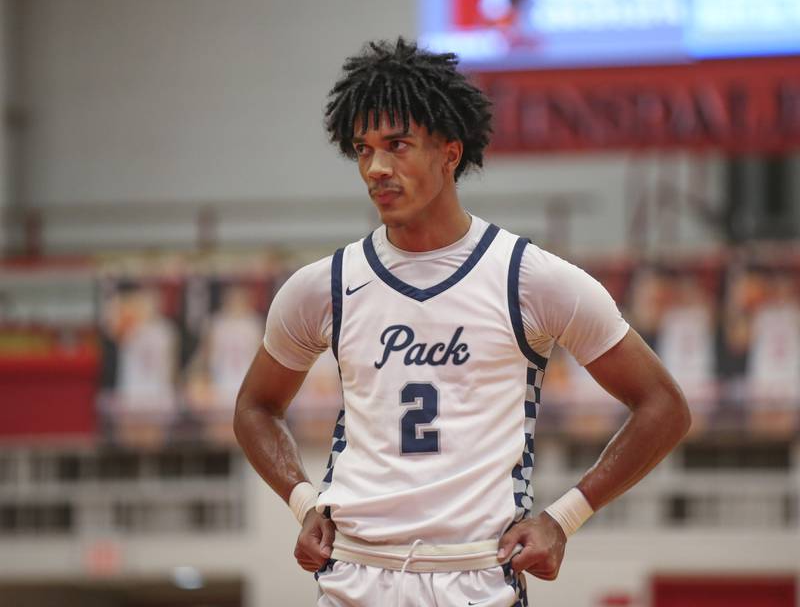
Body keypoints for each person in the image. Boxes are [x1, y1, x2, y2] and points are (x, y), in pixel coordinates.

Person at [234, 38, 691, 606]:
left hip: (475, 576)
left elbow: (664, 406)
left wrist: (564, 517)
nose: (377, 167)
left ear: (450, 153)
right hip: (353, 573)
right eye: (363, 149)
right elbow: (254, 407)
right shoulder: (322, 286)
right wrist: (302, 501)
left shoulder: (529, 277)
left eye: (397, 145)